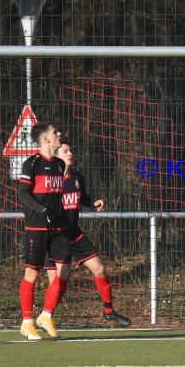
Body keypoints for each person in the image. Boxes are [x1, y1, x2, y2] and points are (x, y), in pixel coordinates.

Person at [44, 140, 131, 327]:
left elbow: (81, 196)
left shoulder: (76, 176)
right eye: (66, 151)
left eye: (71, 150)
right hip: (55, 238)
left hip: (75, 234)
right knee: (58, 282)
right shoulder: (50, 180)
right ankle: (45, 317)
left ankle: (109, 311)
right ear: (56, 156)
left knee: (99, 269)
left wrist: (93, 202)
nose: (70, 154)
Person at [18, 122, 71, 340]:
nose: (59, 134)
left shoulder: (59, 164)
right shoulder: (32, 164)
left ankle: (46, 315)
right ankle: (27, 322)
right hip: (37, 226)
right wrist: (43, 210)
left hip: (58, 228)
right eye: (55, 132)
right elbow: (23, 194)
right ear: (46, 139)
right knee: (32, 273)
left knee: (64, 272)